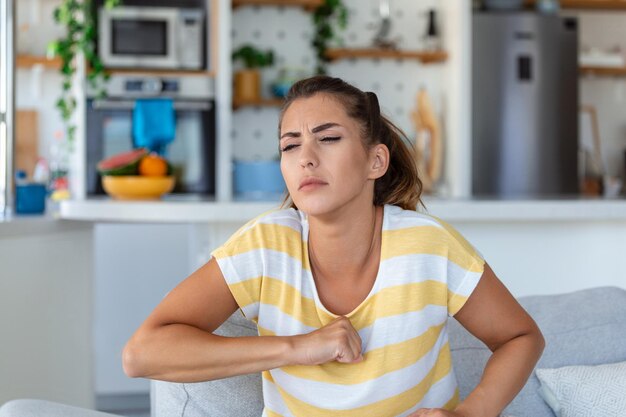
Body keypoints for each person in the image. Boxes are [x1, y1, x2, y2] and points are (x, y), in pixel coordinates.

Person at [123, 76, 545, 417]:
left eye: (327, 138)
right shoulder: (267, 245)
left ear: (375, 161)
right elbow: (141, 354)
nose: (305, 156)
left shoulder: (429, 245)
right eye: (290, 145)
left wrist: (473, 414)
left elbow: (521, 337)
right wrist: (300, 346)